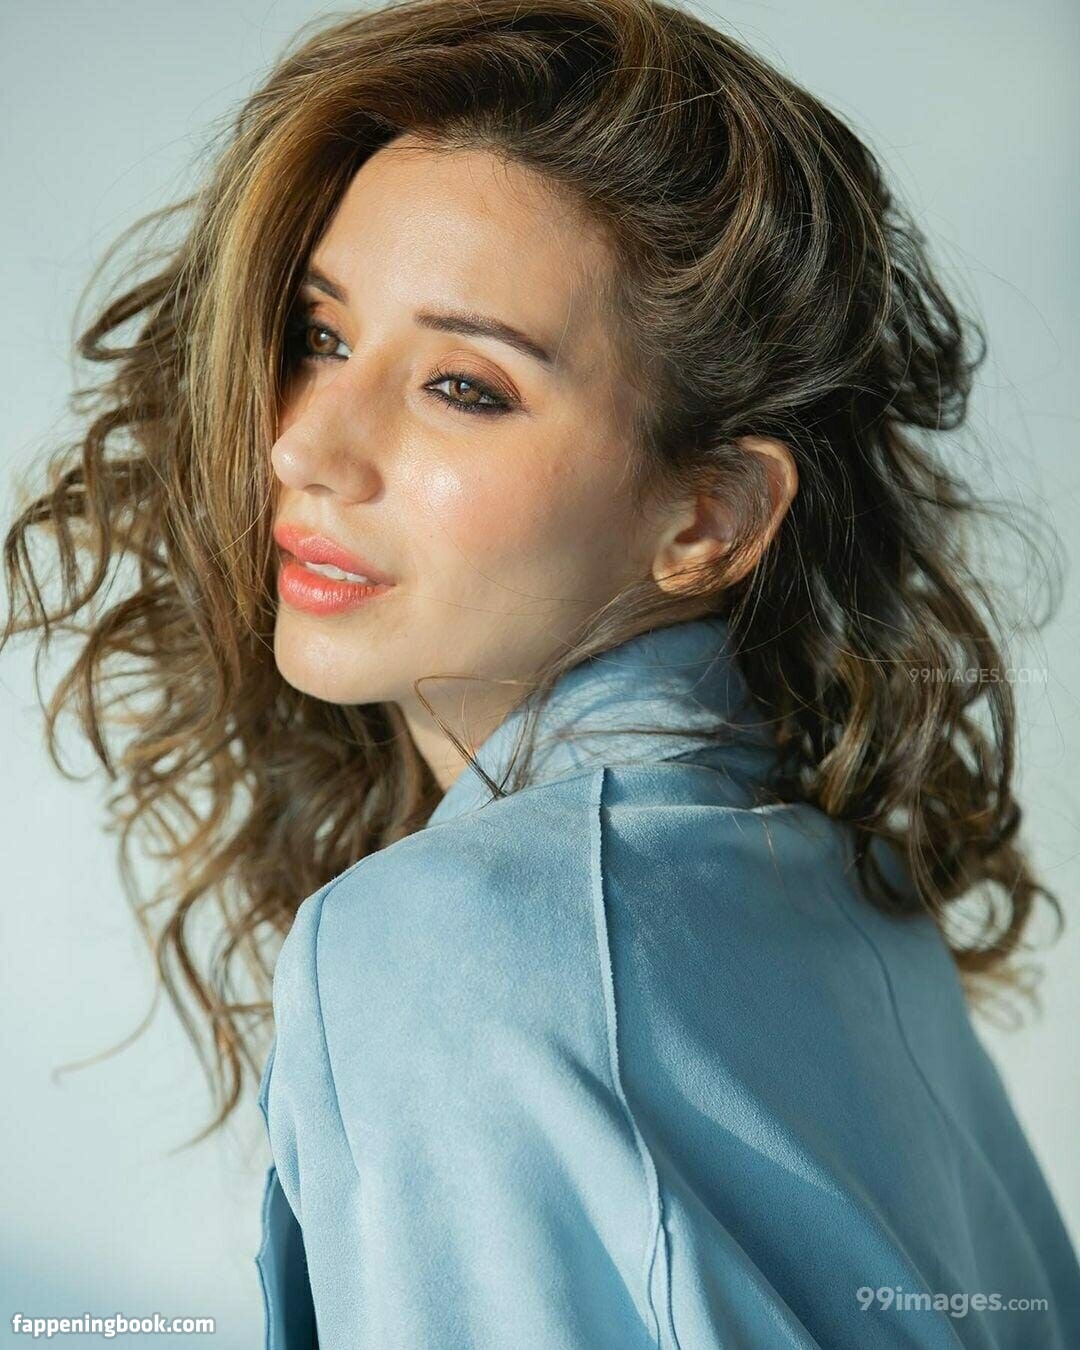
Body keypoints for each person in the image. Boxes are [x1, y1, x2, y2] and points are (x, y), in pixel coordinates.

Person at [4, 0, 1078, 1345]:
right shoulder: (849, 889)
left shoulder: (445, 948)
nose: (305, 446)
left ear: (709, 516)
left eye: (464, 386)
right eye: (323, 337)